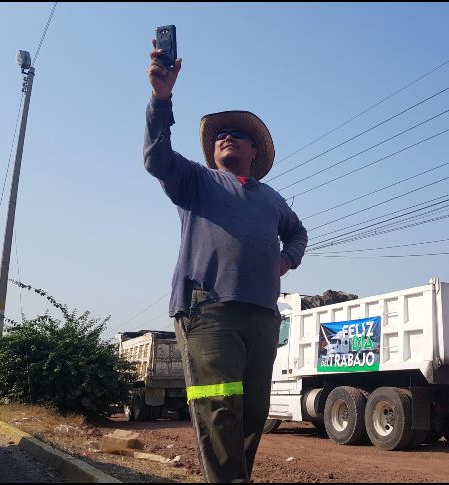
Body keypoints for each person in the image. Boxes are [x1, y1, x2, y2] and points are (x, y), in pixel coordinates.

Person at [144, 40, 307, 483]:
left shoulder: (272, 200)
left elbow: (298, 233)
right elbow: (156, 159)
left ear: (255, 152)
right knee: (219, 409)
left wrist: (286, 260)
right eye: (218, 136)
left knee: (253, 414)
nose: (225, 138)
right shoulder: (196, 181)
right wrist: (161, 98)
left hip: (263, 316)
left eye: (237, 135)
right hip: (208, 311)